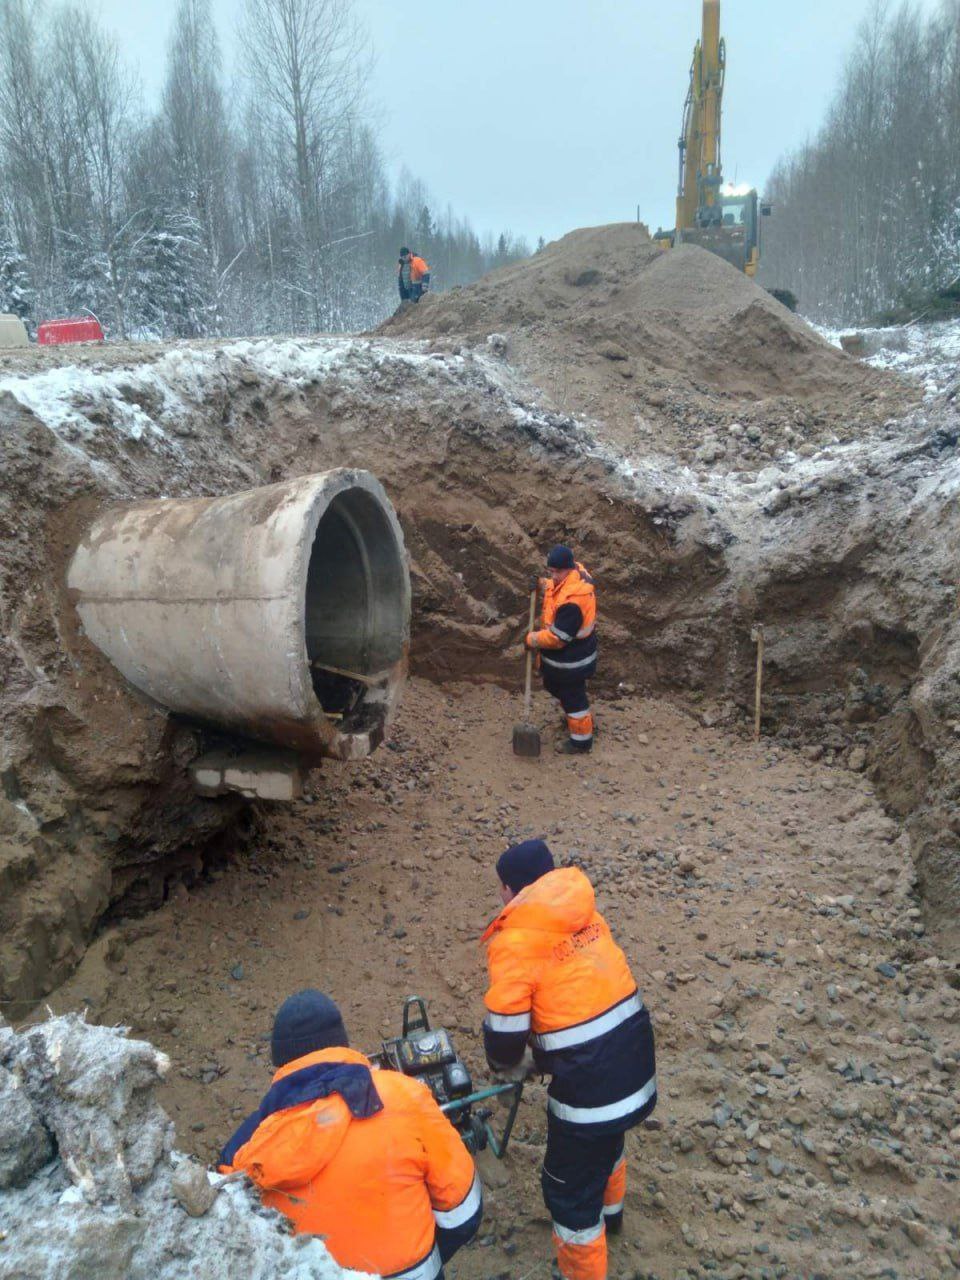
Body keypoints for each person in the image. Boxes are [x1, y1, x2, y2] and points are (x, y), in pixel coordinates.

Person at [481, 840, 657, 1280]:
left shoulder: (515, 940)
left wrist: (515, 1066)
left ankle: (585, 1264)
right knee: (607, 1145)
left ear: (509, 889)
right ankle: (612, 1217)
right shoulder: (587, 914)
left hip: (591, 1088)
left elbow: (504, 1038)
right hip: (635, 1063)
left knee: (567, 1191)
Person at [220, 989, 482, 1280]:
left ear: (281, 1061)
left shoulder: (246, 1147)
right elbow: (464, 1215)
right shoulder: (405, 1094)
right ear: (341, 1042)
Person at [526, 545, 598, 754]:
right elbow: (557, 589)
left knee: (572, 698)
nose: (553, 576)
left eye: (556, 572)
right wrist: (542, 584)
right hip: (567, 659)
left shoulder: (573, 603)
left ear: (568, 568)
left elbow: (557, 639)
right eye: (550, 572)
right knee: (555, 687)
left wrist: (532, 639)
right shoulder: (574, 573)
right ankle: (575, 715)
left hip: (572, 661)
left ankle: (581, 741)